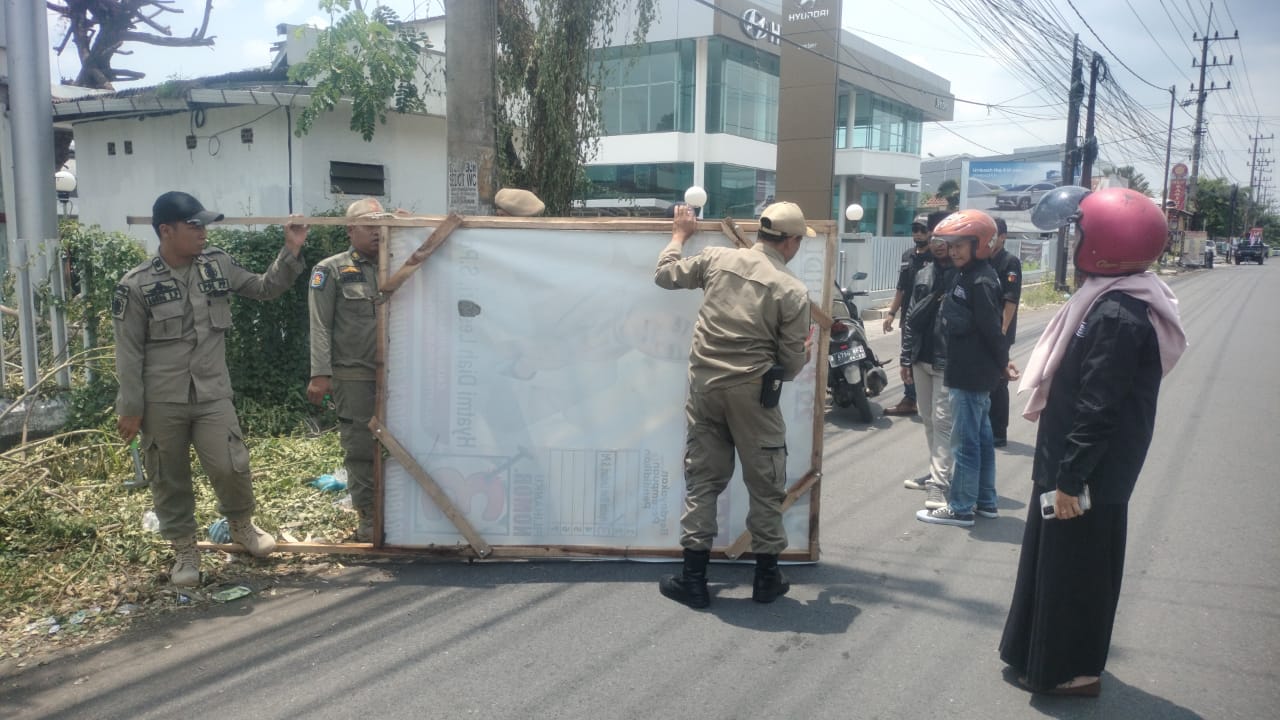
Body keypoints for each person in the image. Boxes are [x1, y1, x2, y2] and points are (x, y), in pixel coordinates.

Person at [1000, 186, 1187, 697]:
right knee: (1052, 564)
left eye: (1080, 232)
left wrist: (1070, 480)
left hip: (1089, 475)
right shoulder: (1101, 302)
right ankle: (1035, 655)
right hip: (1068, 464)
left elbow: (1098, 410)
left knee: (1078, 574)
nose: (1075, 241)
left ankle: (1074, 673)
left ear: (1106, 243)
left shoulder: (1118, 316)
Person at [113, 191, 307, 586]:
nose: (203, 233)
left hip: (212, 392)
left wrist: (291, 249)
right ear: (166, 231)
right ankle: (185, 550)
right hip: (161, 400)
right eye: (194, 225)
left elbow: (264, 288)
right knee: (169, 476)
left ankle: (242, 526)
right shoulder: (135, 285)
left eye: (205, 225)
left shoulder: (216, 265)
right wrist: (130, 407)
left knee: (230, 464)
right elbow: (128, 353)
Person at [653, 201, 813, 609]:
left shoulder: (716, 259)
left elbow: (665, 275)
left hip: (705, 388)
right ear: (791, 242)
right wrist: (804, 354)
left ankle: (693, 580)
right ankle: (765, 579)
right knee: (765, 484)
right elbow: (791, 364)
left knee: (704, 479)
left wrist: (678, 236)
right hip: (754, 395)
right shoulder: (791, 289)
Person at [916, 210, 1016, 528]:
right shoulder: (967, 274)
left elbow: (991, 329)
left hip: (972, 374)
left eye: (962, 244)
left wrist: (1003, 362)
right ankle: (985, 501)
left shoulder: (982, 280)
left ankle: (960, 508)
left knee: (966, 442)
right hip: (967, 370)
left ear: (981, 244)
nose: (954, 250)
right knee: (982, 438)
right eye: (952, 244)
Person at [307, 198, 385, 542]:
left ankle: (398, 513)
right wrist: (320, 373)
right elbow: (320, 324)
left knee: (404, 445)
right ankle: (368, 518)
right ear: (351, 229)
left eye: (382, 225)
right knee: (361, 449)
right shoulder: (332, 270)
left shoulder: (399, 262)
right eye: (370, 225)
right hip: (354, 376)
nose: (378, 232)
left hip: (400, 376)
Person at [899, 214, 956, 513]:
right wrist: (905, 358)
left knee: (944, 423)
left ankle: (939, 483)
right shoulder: (922, 273)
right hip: (921, 359)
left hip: (947, 362)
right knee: (929, 420)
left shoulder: (964, 275)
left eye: (943, 238)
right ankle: (938, 473)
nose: (938, 243)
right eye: (933, 237)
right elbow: (910, 319)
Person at [880, 219, 934, 416]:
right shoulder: (907, 256)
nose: (918, 233)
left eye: (922, 230)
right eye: (915, 230)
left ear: (930, 233)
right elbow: (901, 288)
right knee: (908, 356)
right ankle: (910, 399)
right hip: (909, 318)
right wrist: (891, 313)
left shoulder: (935, 256)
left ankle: (929, 398)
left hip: (929, 319)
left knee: (924, 358)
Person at [987, 217, 1022, 447]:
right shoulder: (982, 260)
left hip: (1000, 330)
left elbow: (1011, 300)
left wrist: (1001, 331)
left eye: (994, 234)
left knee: (999, 381)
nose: (990, 239)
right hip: (984, 331)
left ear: (1003, 236)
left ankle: (999, 432)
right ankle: (986, 426)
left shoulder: (1009, 262)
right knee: (985, 380)